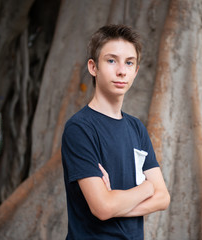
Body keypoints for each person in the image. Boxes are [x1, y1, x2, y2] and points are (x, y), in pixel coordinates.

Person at [61, 24, 170, 240]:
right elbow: (102, 208)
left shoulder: (136, 128)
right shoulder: (80, 129)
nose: (121, 70)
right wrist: (147, 188)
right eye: (111, 60)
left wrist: (114, 202)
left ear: (136, 71)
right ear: (93, 67)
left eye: (129, 63)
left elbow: (163, 198)